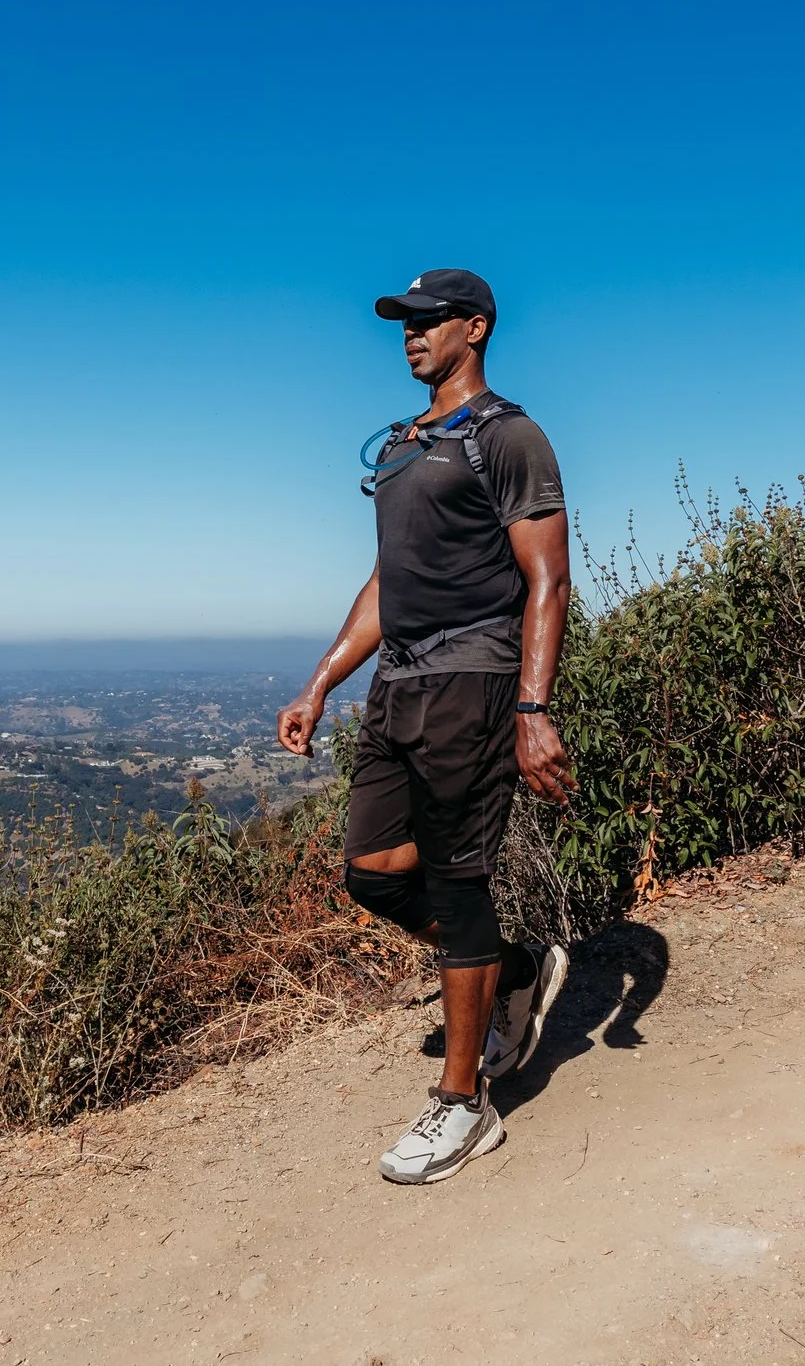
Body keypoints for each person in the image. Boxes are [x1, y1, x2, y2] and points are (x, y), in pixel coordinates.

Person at [276, 268, 575, 1184]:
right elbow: (387, 580)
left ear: (474, 327)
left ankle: (463, 1104)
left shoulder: (509, 436)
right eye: (403, 323)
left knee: (456, 875)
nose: (410, 335)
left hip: (474, 680)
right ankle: (512, 969)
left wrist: (532, 706)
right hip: (399, 682)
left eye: (427, 321)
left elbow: (548, 580)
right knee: (370, 870)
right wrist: (325, 679)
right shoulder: (407, 446)